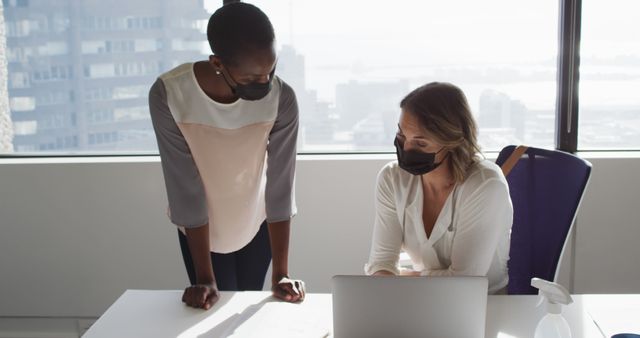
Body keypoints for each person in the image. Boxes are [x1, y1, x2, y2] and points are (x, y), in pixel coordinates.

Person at [149, 2, 305, 310]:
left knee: (244, 313)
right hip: (200, 227)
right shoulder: (170, 94)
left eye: (269, 72)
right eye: (250, 78)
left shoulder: (282, 98)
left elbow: (280, 184)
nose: (264, 84)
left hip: (258, 222)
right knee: (212, 308)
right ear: (217, 62)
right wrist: (204, 278)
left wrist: (282, 274)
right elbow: (185, 187)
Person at [364, 82, 513, 294]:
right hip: (420, 299)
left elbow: (463, 280)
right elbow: (381, 263)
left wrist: (402, 277)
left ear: (452, 141)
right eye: (401, 136)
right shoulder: (392, 178)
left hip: (483, 304)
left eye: (420, 143)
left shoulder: (486, 185)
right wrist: (387, 283)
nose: (406, 149)